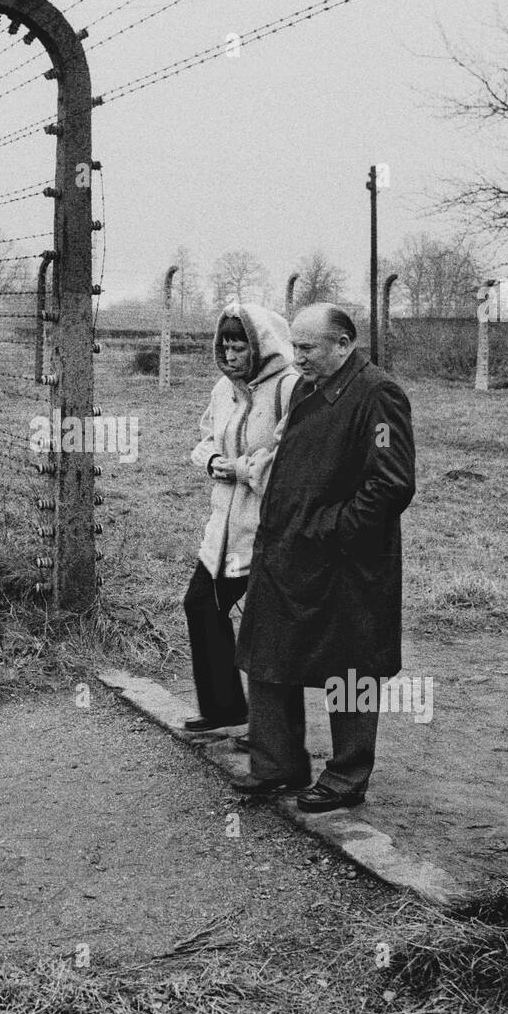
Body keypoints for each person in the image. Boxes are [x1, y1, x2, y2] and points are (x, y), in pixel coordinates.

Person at [232, 304, 416, 810]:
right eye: (294, 346)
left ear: (343, 343)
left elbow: (392, 484)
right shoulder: (310, 387)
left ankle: (347, 775)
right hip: (287, 551)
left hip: (345, 561)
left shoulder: (378, 394)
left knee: (351, 664)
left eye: (307, 347)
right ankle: (278, 764)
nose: (297, 357)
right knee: (269, 652)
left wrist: (329, 529)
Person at [183, 302, 301, 733]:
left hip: (269, 531)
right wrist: (215, 459)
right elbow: (207, 437)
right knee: (201, 603)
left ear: (262, 346)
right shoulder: (223, 388)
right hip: (224, 529)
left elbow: (289, 461)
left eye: (240, 348)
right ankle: (224, 708)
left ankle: (276, 742)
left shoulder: (290, 388)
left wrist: (242, 470)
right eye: (225, 347)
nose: (230, 357)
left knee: (267, 633)